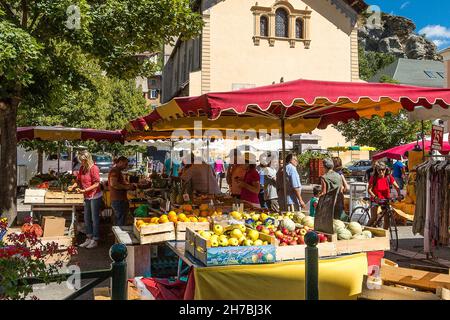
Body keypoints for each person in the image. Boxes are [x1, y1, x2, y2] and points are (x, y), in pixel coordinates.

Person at [68, 151, 102, 249]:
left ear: (87, 160)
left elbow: (96, 183)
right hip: (87, 196)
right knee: (87, 218)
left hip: (95, 196)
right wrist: (73, 186)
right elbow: (78, 180)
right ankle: (89, 237)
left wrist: (84, 190)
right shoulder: (82, 168)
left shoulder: (94, 168)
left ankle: (95, 239)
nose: (81, 163)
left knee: (94, 218)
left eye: (82, 161)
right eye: (80, 161)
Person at [368, 161, 402, 229]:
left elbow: (397, 187)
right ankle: (365, 229)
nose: (381, 172)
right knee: (374, 218)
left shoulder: (388, 177)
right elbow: (369, 190)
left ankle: (384, 236)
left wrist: (399, 195)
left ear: (385, 169)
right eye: (379, 170)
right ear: (376, 170)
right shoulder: (374, 177)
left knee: (387, 220)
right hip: (376, 199)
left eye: (382, 170)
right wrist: (375, 197)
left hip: (385, 199)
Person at [108, 156, 136, 226]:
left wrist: (128, 185)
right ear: (120, 162)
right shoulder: (115, 171)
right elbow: (114, 184)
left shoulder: (118, 171)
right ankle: (119, 235)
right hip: (118, 200)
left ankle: (117, 235)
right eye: (125, 164)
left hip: (119, 200)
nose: (126, 166)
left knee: (119, 220)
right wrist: (126, 187)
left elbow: (119, 183)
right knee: (120, 222)